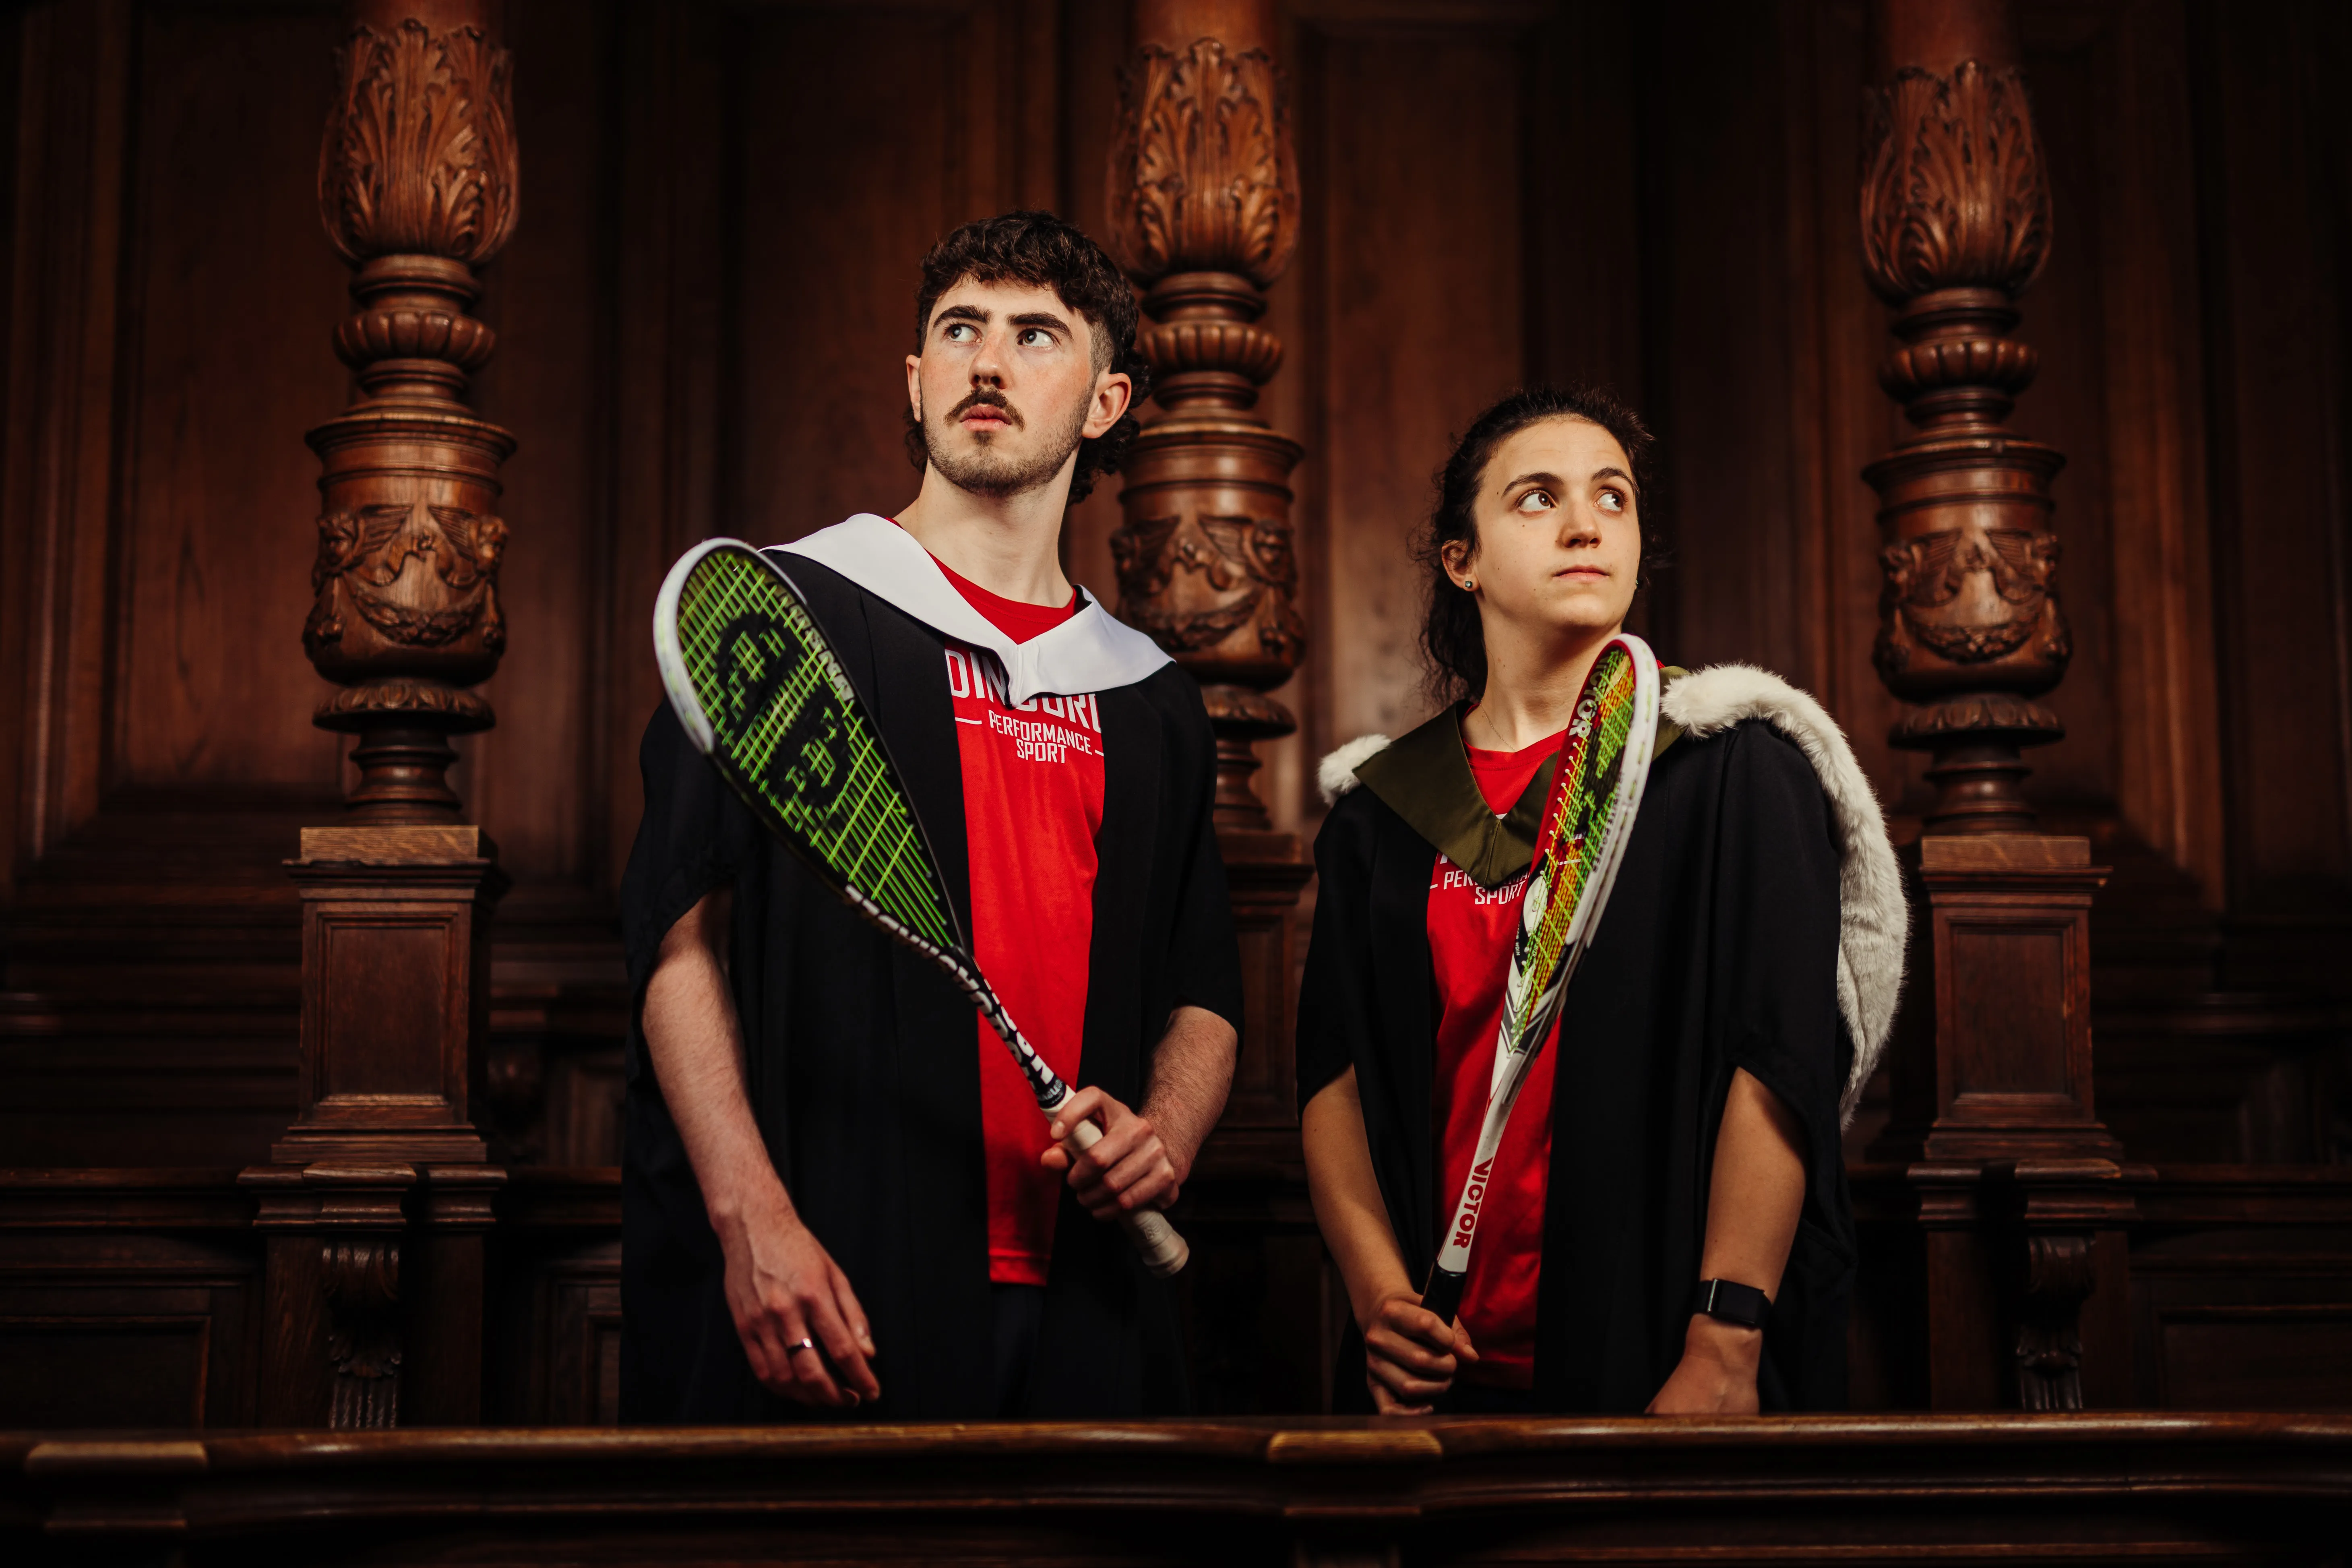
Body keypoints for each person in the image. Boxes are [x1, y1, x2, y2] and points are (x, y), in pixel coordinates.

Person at [620, 211, 1242, 1422]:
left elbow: (1203, 987)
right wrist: (756, 1218)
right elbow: (674, 938)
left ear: (1106, 401)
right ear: (917, 379)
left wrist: (1163, 1133)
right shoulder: (781, 615)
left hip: (1089, 1290)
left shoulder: (1153, 698)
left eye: (1034, 335)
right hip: (840, 1272)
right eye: (959, 330)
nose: (988, 362)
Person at [1297, 386, 1906, 1415]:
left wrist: (1725, 1334)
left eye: (1611, 498)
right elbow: (1335, 1080)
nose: (1585, 524)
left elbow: (1779, 1062)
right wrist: (1378, 1303)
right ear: (1463, 559)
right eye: (1537, 499)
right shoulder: (1385, 815)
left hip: (1660, 1347)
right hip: (1437, 1361)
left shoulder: (1731, 772)